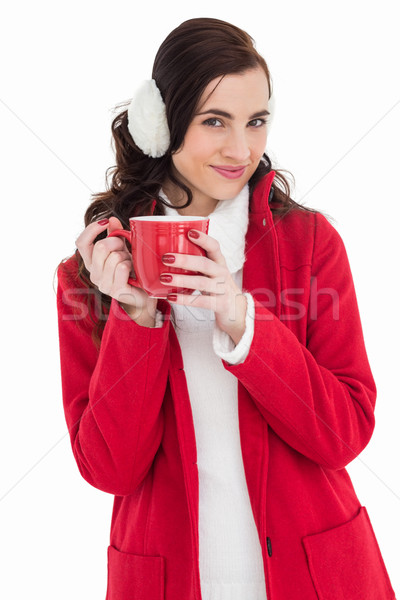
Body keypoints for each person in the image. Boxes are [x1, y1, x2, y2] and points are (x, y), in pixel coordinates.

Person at [56, 17, 395, 600]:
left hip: (314, 576)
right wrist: (136, 319)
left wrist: (242, 322)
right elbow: (111, 470)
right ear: (161, 126)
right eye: (215, 121)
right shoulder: (91, 273)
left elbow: (345, 432)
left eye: (256, 121)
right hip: (166, 581)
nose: (241, 149)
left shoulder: (310, 245)